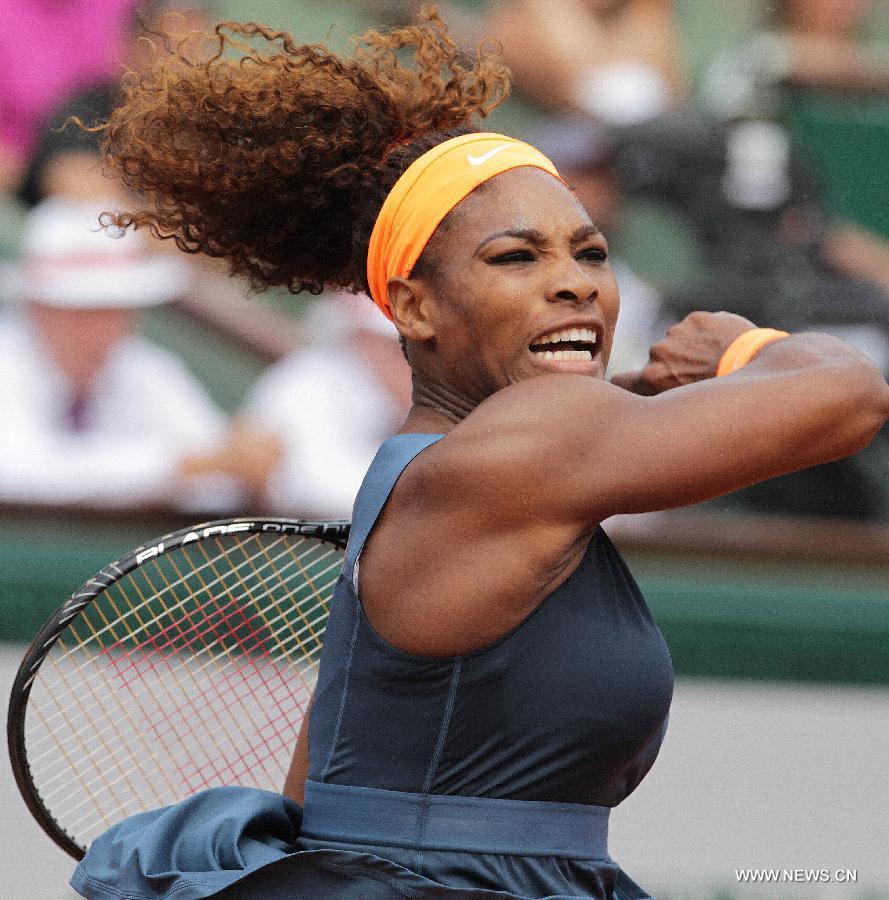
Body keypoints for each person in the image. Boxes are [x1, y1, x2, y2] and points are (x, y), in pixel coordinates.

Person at [69, 12, 889, 900]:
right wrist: (740, 351)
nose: (572, 280)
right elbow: (851, 395)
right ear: (414, 308)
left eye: (591, 252)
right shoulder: (525, 451)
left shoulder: (480, 461)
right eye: (515, 256)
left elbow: (324, 781)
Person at [0, 196, 230, 509]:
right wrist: (175, 468)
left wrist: (197, 467)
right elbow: (17, 473)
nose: (99, 332)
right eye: (79, 311)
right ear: (36, 309)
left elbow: (224, 478)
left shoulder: (149, 369)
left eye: (113, 311)